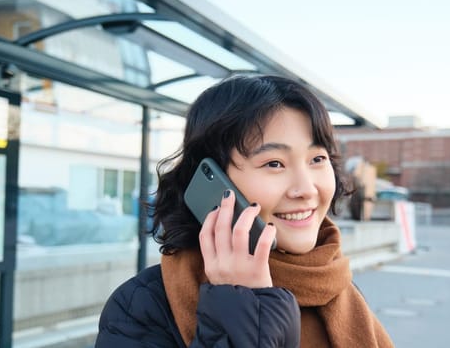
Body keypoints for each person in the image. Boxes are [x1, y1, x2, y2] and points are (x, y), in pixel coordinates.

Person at [95, 74, 393, 347]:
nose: (306, 189)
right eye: (274, 163)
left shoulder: (332, 284)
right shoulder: (142, 307)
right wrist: (244, 309)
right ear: (213, 179)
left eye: (317, 159)